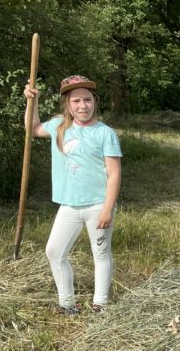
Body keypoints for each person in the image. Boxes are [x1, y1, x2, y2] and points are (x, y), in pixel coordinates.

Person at [24, 75, 122, 315]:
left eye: (87, 100)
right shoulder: (59, 126)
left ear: (95, 101)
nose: (83, 106)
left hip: (98, 205)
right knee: (54, 251)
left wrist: (108, 208)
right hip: (68, 205)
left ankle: (101, 304)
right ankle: (67, 303)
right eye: (76, 101)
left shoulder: (105, 133)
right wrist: (32, 101)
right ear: (67, 104)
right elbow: (33, 129)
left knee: (100, 253)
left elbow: (114, 174)